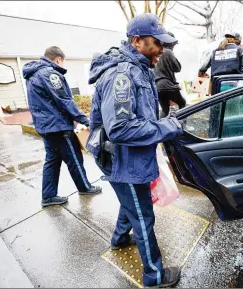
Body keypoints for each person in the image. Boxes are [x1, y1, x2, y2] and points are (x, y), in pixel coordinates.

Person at [86, 13, 183, 288]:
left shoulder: (139, 67)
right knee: (143, 216)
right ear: (137, 41)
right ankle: (154, 276)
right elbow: (121, 129)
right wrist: (166, 128)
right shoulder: (122, 75)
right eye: (157, 44)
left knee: (131, 202)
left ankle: (118, 239)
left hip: (128, 159)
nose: (161, 50)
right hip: (122, 161)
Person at [22, 46, 102, 207]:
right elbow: (64, 100)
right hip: (58, 127)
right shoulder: (50, 74)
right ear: (58, 59)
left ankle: (48, 195)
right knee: (74, 158)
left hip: (46, 127)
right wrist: (85, 120)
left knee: (52, 160)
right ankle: (85, 187)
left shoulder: (33, 74)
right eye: (63, 61)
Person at [154, 32, 186, 118]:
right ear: (170, 43)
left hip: (157, 86)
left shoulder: (155, 51)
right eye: (174, 44)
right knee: (182, 103)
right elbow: (177, 68)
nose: (174, 46)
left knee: (165, 110)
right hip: (167, 84)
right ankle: (180, 125)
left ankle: (160, 129)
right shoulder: (168, 52)